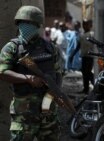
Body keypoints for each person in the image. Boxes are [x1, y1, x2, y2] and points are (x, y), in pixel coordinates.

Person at [0, 6, 62, 140]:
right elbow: (2, 72)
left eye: (29, 23)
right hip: (24, 112)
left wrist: (54, 93)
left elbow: (57, 73)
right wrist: (27, 78)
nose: (25, 26)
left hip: (48, 111)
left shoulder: (50, 48)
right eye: (23, 23)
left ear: (37, 25)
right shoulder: (12, 48)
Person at [70, 19, 94, 94]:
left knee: (88, 72)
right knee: (84, 73)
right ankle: (86, 89)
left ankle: (95, 85)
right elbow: (78, 46)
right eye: (84, 24)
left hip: (91, 57)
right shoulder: (82, 35)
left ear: (90, 25)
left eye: (86, 24)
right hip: (84, 57)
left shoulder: (92, 34)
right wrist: (72, 55)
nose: (85, 26)